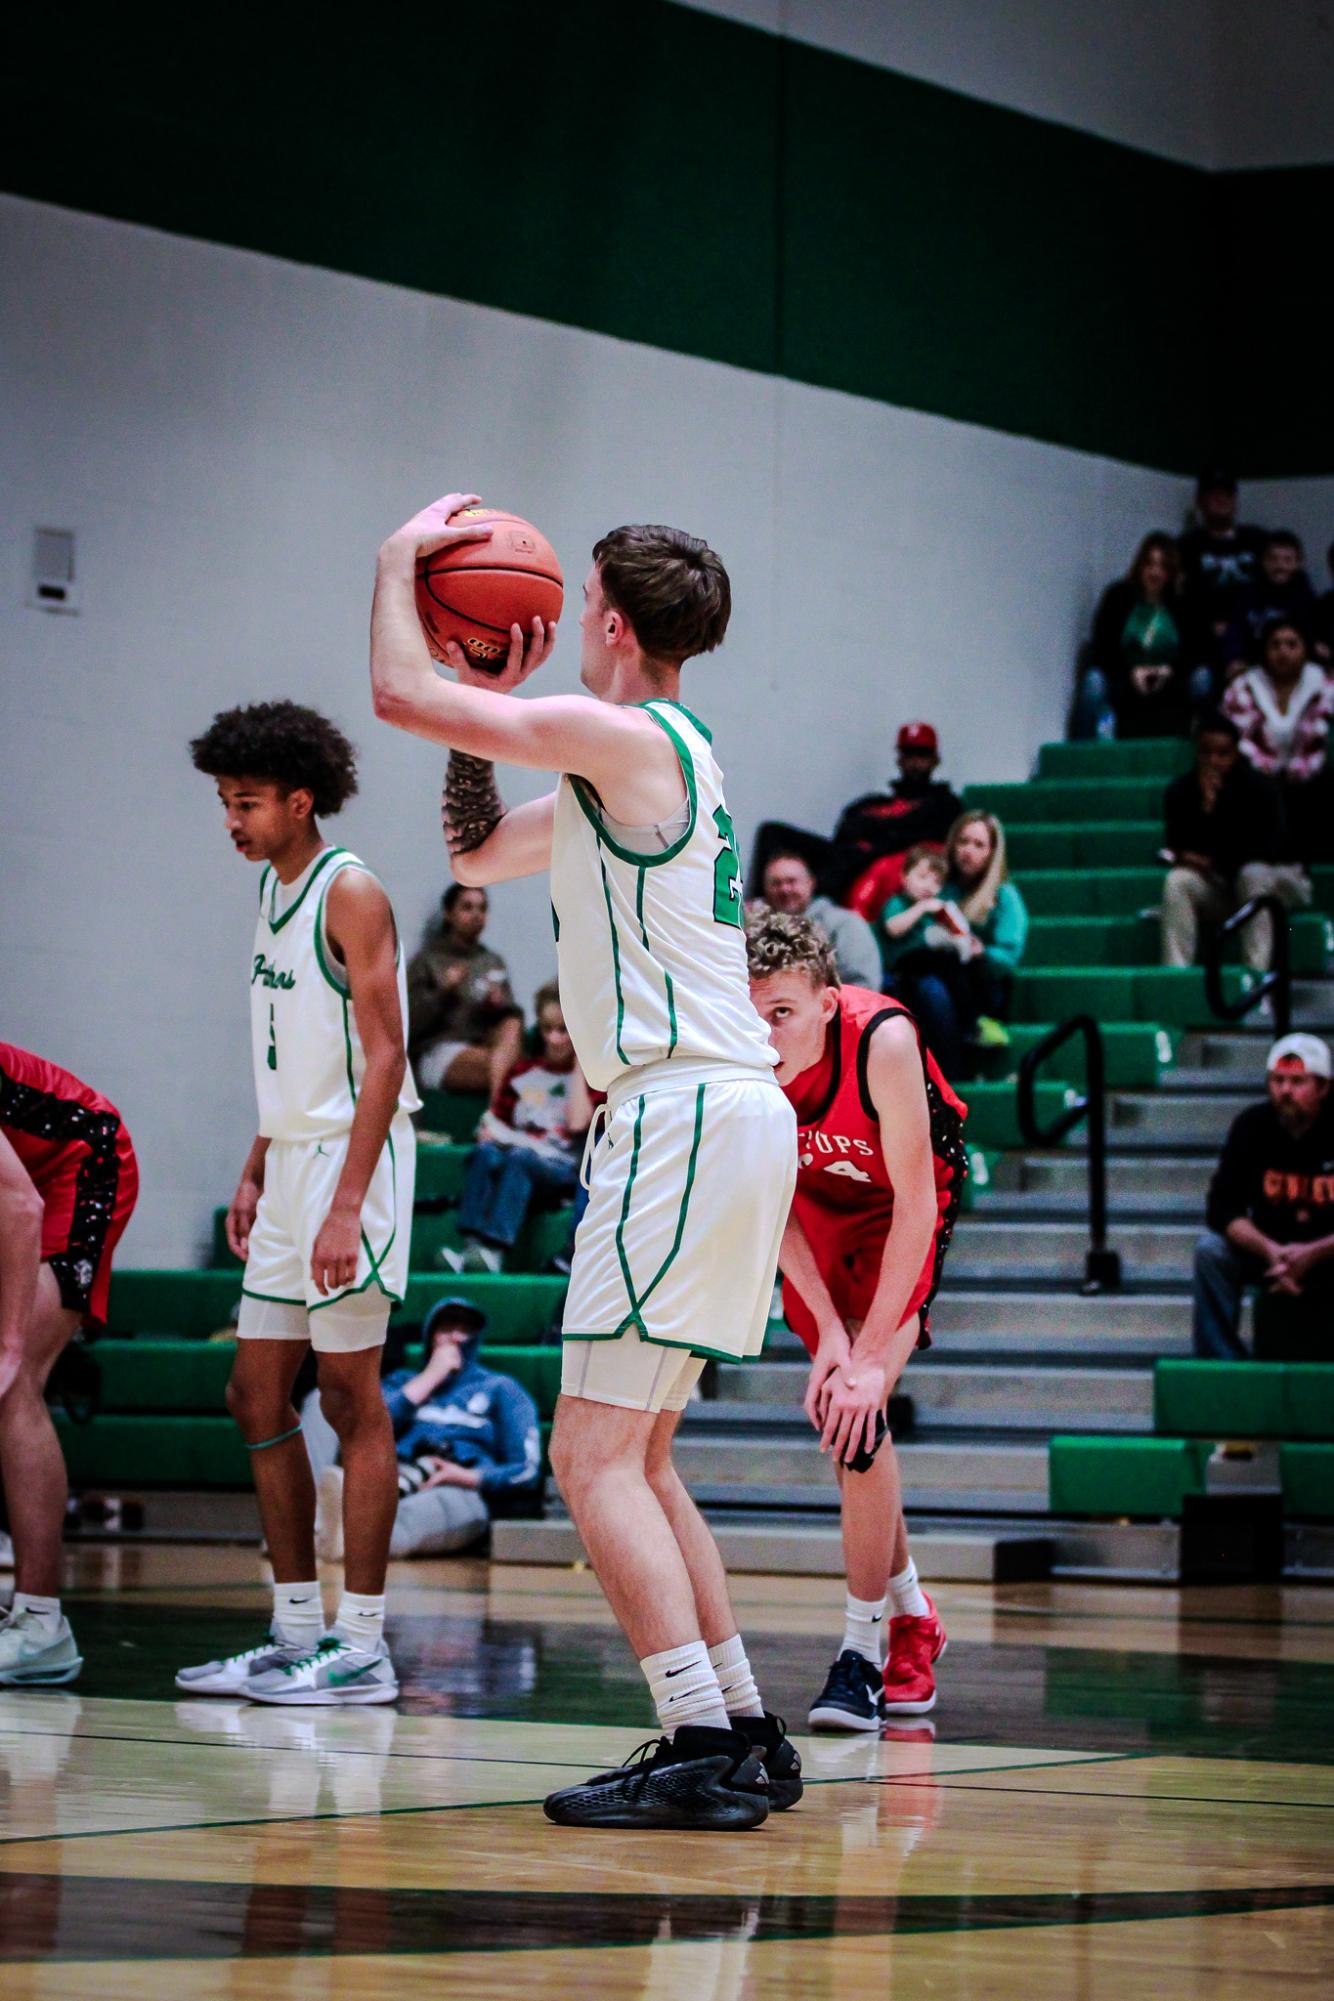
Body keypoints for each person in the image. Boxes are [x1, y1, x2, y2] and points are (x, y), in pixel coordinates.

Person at [371, 491, 800, 1830]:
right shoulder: (654, 758)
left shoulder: (618, 739)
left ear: (605, 620)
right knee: (644, 1455)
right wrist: (473, 702)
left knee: (592, 1459)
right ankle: (735, 1724)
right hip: (719, 1114)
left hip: (679, 1116)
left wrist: (402, 571)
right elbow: (472, 848)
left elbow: (398, 698)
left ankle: (691, 1741)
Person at [180, 701, 418, 1707]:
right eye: (226, 803)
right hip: (291, 1166)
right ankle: (292, 1632)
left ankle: (361, 1643)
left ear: (299, 799)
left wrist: (342, 1201)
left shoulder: (346, 890)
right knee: (253, 1392)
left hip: (350, 1169)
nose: (232, 821)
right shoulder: (273, 893)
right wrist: (254, 1165)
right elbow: (293, 1056)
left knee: (349, 1398)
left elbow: (385, 1054)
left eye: (246, 803)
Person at [746, 911, 965, 1727]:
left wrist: (871, 1353)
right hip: (810, 1212)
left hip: (903, 1209)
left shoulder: (885, 1040)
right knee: (844, 1411)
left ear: (829, 1003)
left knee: (859, 1413)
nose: (765, 1034)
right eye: (752, 1011)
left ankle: (862, 1654)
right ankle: (912, 1611)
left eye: (783, 1013)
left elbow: (916, 1202)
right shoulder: (739, 1057)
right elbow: (769, 1200)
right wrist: (832, 1340)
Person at [0, 1045, 139, 1686]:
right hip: (22, 1185)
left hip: (80, 1162)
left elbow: (21, 1207)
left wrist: (8, 1342)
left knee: (13, 1382)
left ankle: (41, 1623)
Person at [309, 1295, 542, 1560]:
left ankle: (347, 1544)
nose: (455, 1336)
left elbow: (527, 1469)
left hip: (456, 1488)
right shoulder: (402, 1382)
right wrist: (430, 1378)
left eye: (465, 1329)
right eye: (446, 1328)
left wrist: (468, 1477)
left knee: (411, 1516)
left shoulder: (502, 1389)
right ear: (430, 1336)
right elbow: (363, 1429)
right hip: (391, 1474)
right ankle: (312, 1523)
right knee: (321, 1400)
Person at [1193, 1035, 1334, 1361]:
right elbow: (1223, 1207)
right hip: (1269, 1250)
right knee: (1211, 1252)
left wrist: (1314, 1252)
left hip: (1326, 1251)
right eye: (1278, 1080)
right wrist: (1271, 1252)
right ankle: (1221, 1365)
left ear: (1324, 1088)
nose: (1285, 1091)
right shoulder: (1251, 1126)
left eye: (1298, 1082)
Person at [442, 982, 592, 1272]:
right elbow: (494, 1123)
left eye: (564, 1030)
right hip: (519, 1156)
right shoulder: (524, 1072)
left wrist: (580, 1063)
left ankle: (496, 1248)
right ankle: (472, 1246)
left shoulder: (588, 1078)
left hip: (560, 1168)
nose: (555, 1039)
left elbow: (577, 1123)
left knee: (519, 1159)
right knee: (485, 1154)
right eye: (548, 1029)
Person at [886, 814, 1028, 1080]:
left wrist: (981, 951)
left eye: (978, 844)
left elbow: (1008, 956)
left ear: (992, 852)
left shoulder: (1004, 895)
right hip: (935, 968)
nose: (968, 851)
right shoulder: (937, 885)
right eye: (963, 841)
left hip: (982, 982)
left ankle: (952, 1075)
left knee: (932, 990)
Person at [1159, 711, 1300, 974]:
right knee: (1177, 881)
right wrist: (1205, 810)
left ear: (1235, 753)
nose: (1214, 761)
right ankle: (1174, 978)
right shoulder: (1181, 792)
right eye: (1206, 753)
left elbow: (1267, 851)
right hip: (1225, 885)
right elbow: (1179, 847)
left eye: (1222, 753)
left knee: (1252, 874)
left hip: (1278, 883)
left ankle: (1256, 979)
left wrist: (1212, 852)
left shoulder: (1260, 789)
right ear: (1196, 752)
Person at [1074, 532, 1209, 738]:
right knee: (1094, 681)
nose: (1154, 572)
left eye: (1162, 567)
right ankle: (1081, 756)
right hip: (1124, 679)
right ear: (1139, 566)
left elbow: (1197, 650)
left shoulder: (1184, 603)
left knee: (1202, 679)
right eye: (1149, 564)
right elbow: (1103, 647)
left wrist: (1167, 671)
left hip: (1171, 681)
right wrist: (1131, 671)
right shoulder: (1117, 597)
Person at [1223, 616, 1334, 867]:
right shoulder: (1244, 687)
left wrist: (1300, 769)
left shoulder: (1325, 686)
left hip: (1309, 778)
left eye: (1291, 644)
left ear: (1306, 649)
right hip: (1258, 777)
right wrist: (1269, 769)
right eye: (1275, 645)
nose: (1283, 652)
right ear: (1264, 650)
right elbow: (1241, 740)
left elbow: (1320, 736)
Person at [826, 723, 964, 908]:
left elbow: (927, 840)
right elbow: (845, 831)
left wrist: (874, 841)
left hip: (878, 868)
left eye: (921, 754)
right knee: (775, 833)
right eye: (908, 754)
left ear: (935, 760)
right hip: (845, 858)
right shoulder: (870, 804)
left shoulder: (945, 803)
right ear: (899, 759)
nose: (914, 762)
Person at [406, 883, 523, 1096]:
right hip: (440, 1049)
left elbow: (511, 1018)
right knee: (506, 1069)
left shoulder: (491, 960)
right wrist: (443, 991)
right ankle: (499, 1111)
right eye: (467, 908)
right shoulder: (428, 960)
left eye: (482, 908)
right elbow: (409, 1024)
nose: (476, 915)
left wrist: (498, 1005)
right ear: (448, 914)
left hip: (486, 1045)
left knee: (512, 1024)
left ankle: (496, 1112)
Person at [1178, 469, 1267, 664]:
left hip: (1255, 637)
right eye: (1214, 494)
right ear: (1200, 501)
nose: (1222, 499)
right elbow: (1179, 598)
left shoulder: (1257, 540)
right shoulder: (1187, 546)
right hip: (1204, 641)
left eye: (1227, 494)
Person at [761, 850, 882, 988]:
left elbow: (864, 986)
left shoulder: (845, 924)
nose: (784, 889)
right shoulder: (754, 924)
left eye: (792, 881)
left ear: (810, 883)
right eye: (776, 883)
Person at [1222, 533, 1318, 679]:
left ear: (1299, 564)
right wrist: (1234, 659)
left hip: (1295, 667)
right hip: (1252, 666)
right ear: (1263, 562)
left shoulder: (1307, 599)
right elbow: (1235, 632)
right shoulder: (1248, 595)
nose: (1280, 566)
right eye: (1273, 559)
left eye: (1287, 560)